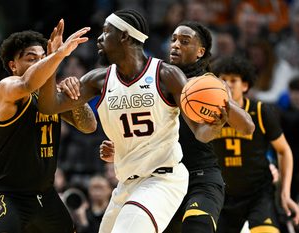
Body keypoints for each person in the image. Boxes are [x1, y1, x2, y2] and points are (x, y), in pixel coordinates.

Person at [45, 10, 255, 233]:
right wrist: (125, 146)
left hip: (189, 175)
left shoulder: (202, 85)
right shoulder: (148, 74)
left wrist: (219, 117)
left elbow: (223, 130)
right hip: (133, 179)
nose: (175, 45)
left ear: (201, 52)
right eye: (173, 40)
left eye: (184, 42)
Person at [0, 19, 97, 233]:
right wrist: (58, 55)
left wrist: (76, 96)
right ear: (13, 65)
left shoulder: (50, 94)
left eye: (42, 58)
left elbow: (88, 126)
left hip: (44, 195)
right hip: (8, 194)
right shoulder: (7, 87)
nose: (39, 63)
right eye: (31, 59)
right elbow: (28, 84)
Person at [211, 55, 299, 233]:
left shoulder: (260, 111)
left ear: (245, 85)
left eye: (233, 80)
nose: (227, 84)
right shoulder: (208, 115)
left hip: (258, 194)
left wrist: (285, 193)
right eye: (223, 80)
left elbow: (284, 150)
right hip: (223, 195)